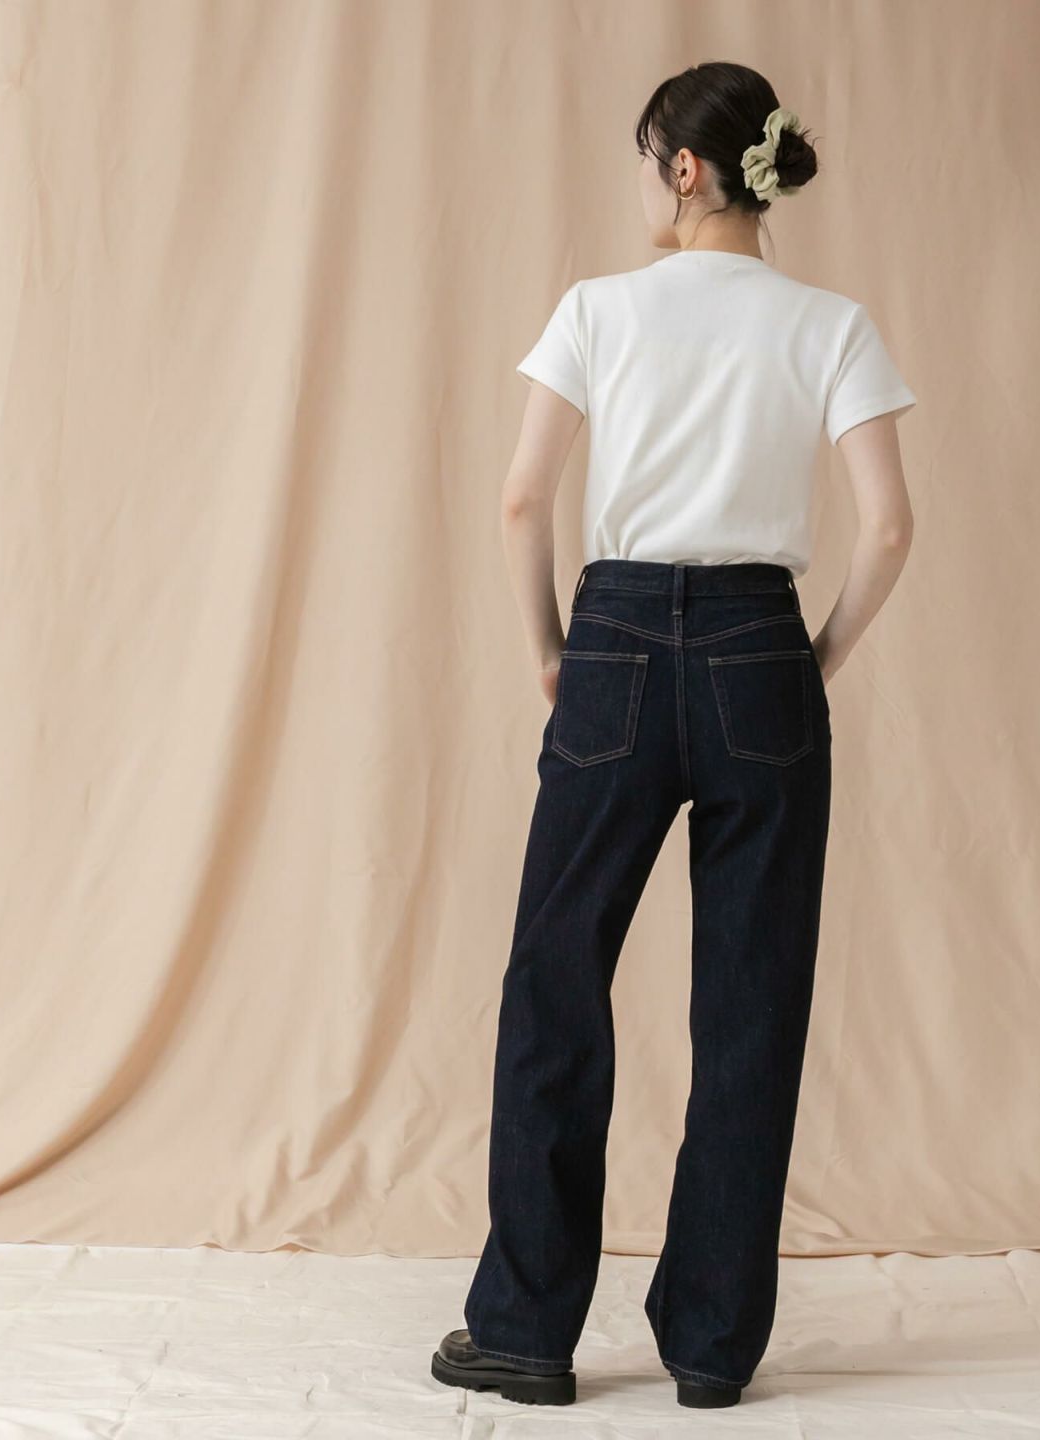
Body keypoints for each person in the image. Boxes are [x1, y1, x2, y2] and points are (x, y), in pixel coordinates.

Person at [431, 60, 917, 1410]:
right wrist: (812, 658)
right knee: (751, 1005)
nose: (644, 184)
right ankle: (710, 1344)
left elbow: (523, 499)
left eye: (649, 160)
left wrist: (553, 650)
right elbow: (887, 526)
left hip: (618, 647)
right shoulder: (831, 323)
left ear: (687, 167)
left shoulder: (600, 309)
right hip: (764, 651)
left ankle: (526, 1330)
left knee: (556, 981)